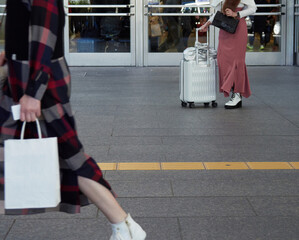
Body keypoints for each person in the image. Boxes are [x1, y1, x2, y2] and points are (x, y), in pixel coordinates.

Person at [0, 1, 146, 239]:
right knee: (67, 156)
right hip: (27, 81)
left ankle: (124, 225)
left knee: (71, 157)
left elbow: (45, 38)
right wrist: (12, 53)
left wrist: (33, 93)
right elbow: (31, 29)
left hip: (39, 87)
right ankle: (124, 227)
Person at [200, 0, 257, 109]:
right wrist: (207, 24)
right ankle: (234, 92)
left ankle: (237, 94)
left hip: (238, 29)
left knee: (236, 62)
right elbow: (218, 14)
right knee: (222, 60)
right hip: (225, 29)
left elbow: (253, 8)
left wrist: (237, 14)